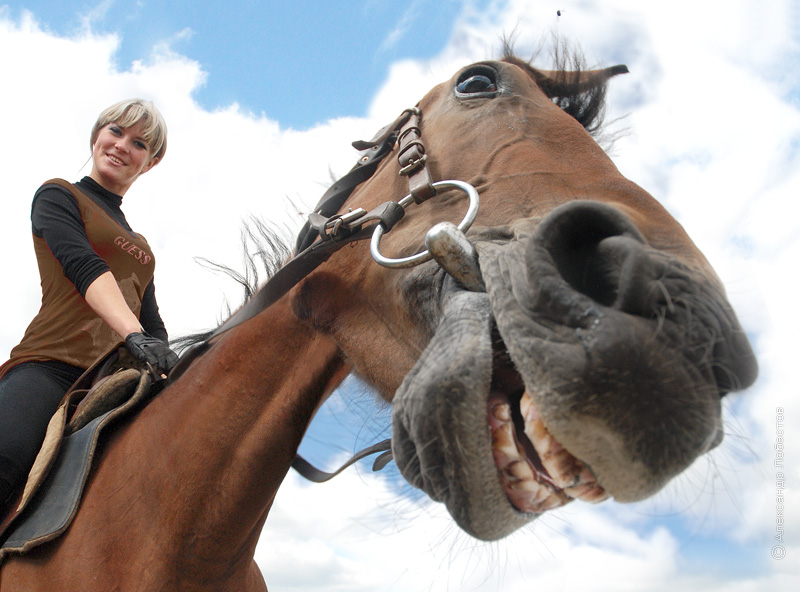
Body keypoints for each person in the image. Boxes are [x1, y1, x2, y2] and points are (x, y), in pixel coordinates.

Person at [0, 99, 179, 513]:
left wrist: (170, 364)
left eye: (138, 143)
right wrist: (133, 335)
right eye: (115, 131)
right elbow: (84, 266)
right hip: (50, 366)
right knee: (4, 457)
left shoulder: (142, 249)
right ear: (97, 137)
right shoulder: (59, 195)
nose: (121, 146)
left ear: (150, 163)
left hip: (116, 380)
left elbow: (152, 324)